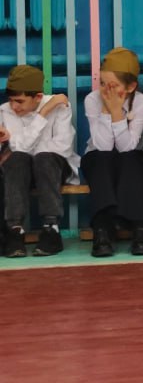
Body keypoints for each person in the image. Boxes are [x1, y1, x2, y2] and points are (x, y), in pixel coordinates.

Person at [81, 47, 143, 257]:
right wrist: (107, 110)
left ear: (131, 86)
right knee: (101, 159)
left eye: (113, 86)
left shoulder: (141, 101)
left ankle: (139, 227)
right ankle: (102, 228)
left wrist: (116, 113)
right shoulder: (92, 99)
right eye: (102, 83)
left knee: (131, 160)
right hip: (98, 155)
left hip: (130, 154)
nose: (106, 91)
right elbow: (102, 146)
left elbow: (127, 147)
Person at [1, 65, 78, 258]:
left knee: (43, 158)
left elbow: (62, 148)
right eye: (11, 100)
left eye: (19, 101)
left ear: (37, 97)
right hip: (22, 171)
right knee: (18, 160)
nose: (14, 107)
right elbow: (18, 151)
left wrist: (18, 141)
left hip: (55, 169)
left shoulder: (59, 106)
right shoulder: (4, 111)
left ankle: (51, 229)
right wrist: (42, 114)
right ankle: (14, 231)